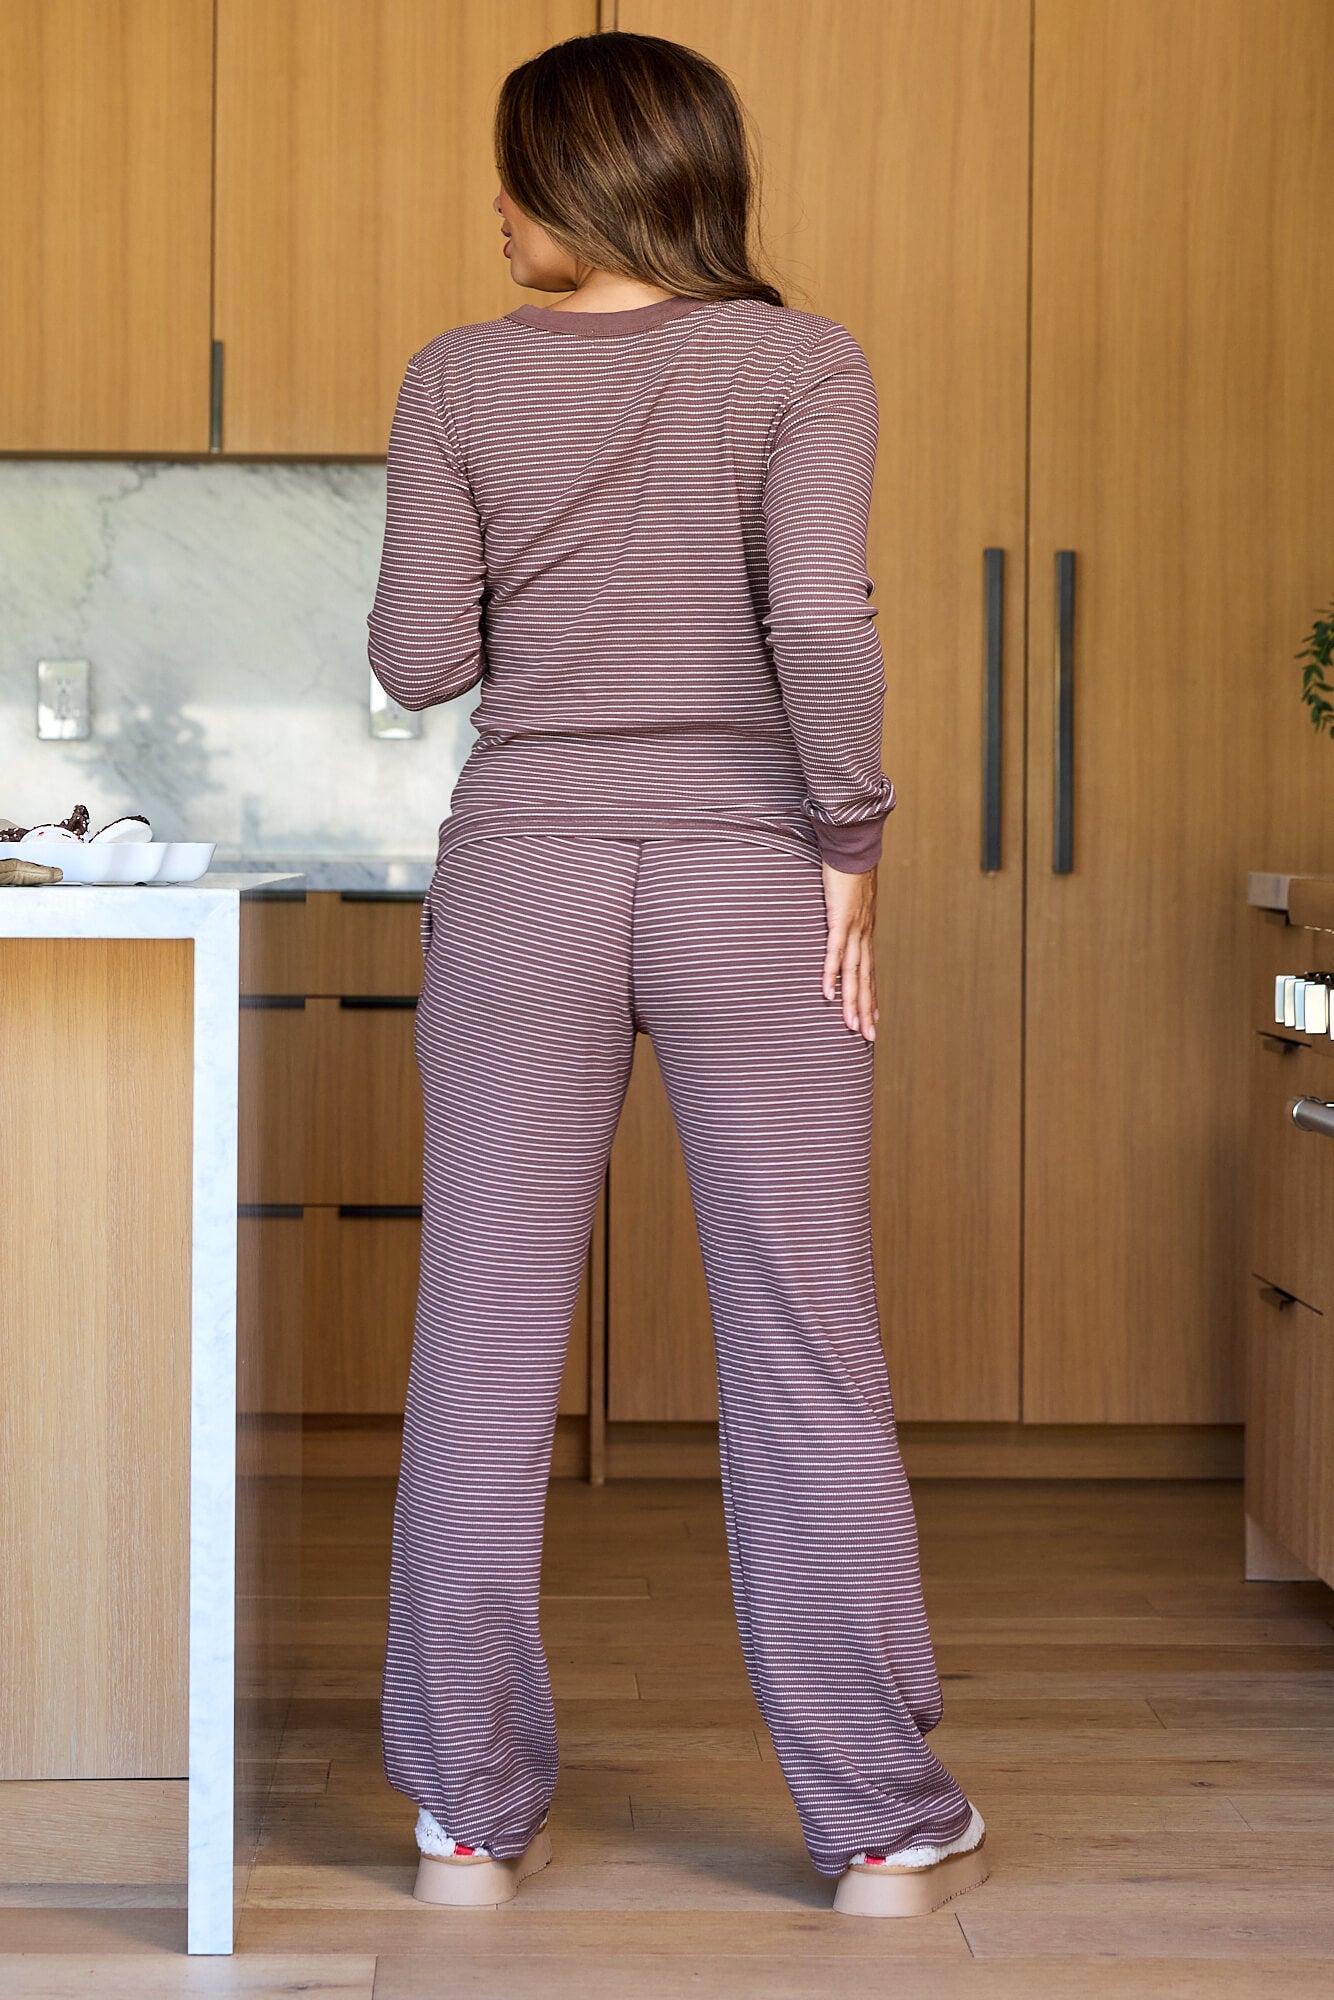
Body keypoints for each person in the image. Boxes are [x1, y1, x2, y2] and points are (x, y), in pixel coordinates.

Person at [365, 28, 988, 1920]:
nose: (493, 204)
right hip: (749, 879)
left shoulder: (455, 379)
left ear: (583, 181)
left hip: (523, 877)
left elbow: (415, 660)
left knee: (481, 1344)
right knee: (802, 1336)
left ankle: (466, 1821)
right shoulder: (804, 363)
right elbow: (818, 620)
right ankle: (877, 1830)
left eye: (513, 172)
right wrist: (849, 848)